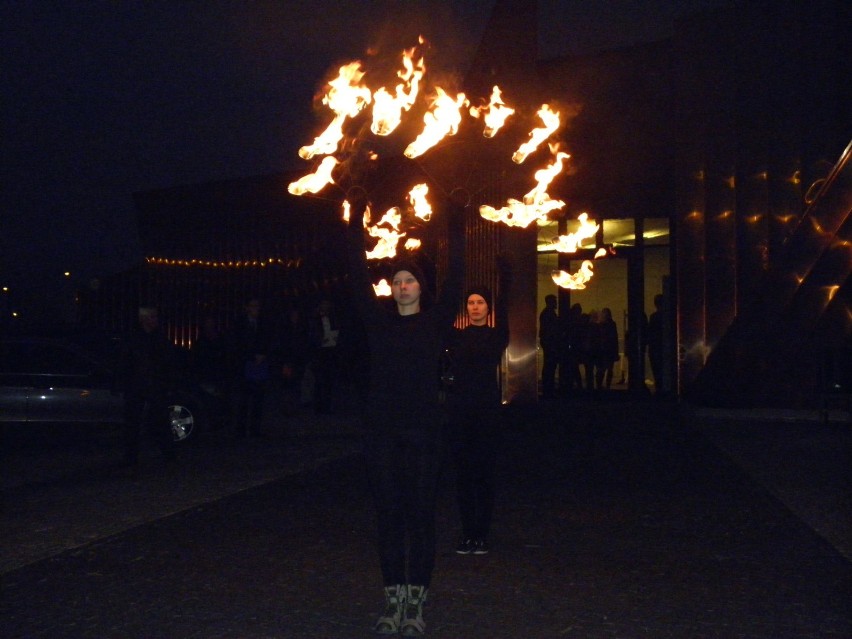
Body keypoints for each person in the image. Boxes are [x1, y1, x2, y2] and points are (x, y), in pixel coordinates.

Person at [346, 193, 464, 636]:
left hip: (425, 434)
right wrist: (356, 213)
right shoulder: (378, 323)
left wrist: (455, 218)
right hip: (382, 434)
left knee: (420, 516)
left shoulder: (435, 322)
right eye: (396, 281)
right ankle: (392, 599)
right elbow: (357, 278)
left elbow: (456, 276)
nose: (401, 286)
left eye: (409, 280)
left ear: (419, 287)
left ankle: (417, 603)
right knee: (389, 515)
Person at [446, 255, 511, 557]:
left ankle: (481, 534)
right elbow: (441, 307)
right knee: (463, 474)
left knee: (484, 473)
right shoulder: (456, 337)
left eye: (480, 302)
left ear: (488, 307)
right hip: (459, 412)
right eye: (471, 302)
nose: (474, 306)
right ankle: (467, 533)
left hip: (486, 412)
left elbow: (506, 302)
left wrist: (504, 274)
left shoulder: (497, 335)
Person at [121, 306, 177, 473]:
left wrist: (167, 382)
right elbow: (126, 362)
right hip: (139, 384)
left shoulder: (157, 338)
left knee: (159, 418)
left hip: (153, 384)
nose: (155, 320)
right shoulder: (134, 339)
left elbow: (167, 362)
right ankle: (132, 456)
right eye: (152, 317)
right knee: (134, 422)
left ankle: (167, 452)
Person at [227, 297, 272, 437]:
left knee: (258, 398)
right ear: (246, 308)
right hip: (245, 364)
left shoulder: (263, 323)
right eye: (252, 306)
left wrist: (263, 354)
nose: (255, 309)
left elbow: (268, 340)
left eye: (257, 306)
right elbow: (237, 344)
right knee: (244, 398)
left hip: (259, 364)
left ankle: (254, 429)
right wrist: (252, 356)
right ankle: (241, 428)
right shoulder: (240, 324)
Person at [307, 298, 342, 414]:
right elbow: (311, 335)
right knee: (319, 380)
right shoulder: (314, 319)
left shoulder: (333, 318)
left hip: (331, 352)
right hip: (319, 353)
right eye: (323, 304)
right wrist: (319, 341)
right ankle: (318, 407)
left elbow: (337, 331)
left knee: (329, 380)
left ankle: (327, 406)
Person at [538, 294, 560, 398]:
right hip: (550, 344)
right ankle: (548, 388)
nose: (556, 303)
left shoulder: (546, 313)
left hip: (549, 343)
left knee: (549, 365)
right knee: (550, 366)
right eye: (554, 301)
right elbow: (551, 330)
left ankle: (548, 387)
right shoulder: (549, 314)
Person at [595, 307, 619, 390]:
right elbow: (614, 338)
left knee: (603, 369)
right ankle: (605, 385)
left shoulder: (601, 325)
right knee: (607, 369)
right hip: (607, 349)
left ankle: (600, 385)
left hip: (605, 349)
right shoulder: (611, 324)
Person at [647, 293, 666, 395]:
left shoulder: (654, 317)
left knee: (657, 370)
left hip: (655, 348)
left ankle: (659, 389)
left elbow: (651, 333)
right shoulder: (667, 317)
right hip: (662, 347)